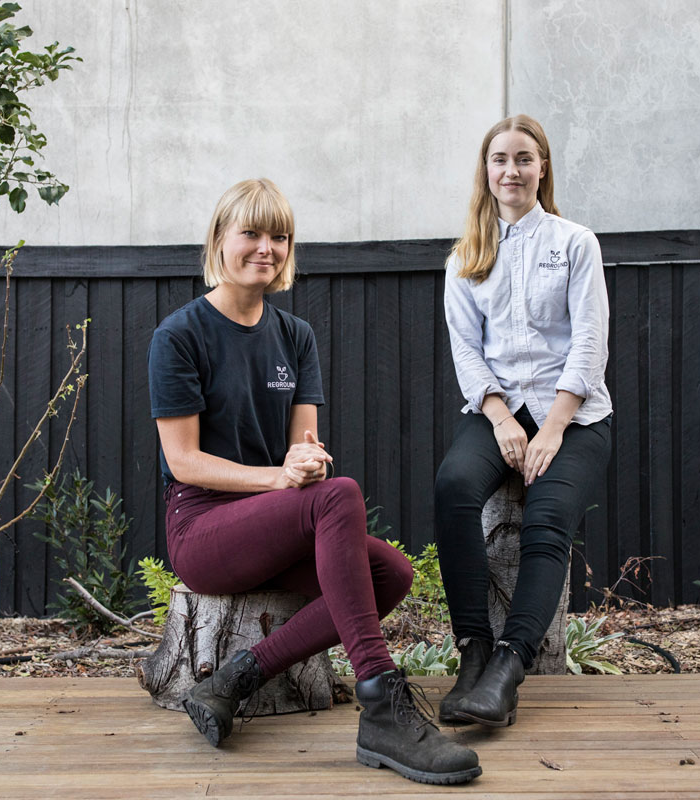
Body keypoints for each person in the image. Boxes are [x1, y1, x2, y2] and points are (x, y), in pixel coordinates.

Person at [147, 178, 481, 785]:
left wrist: (304, 465)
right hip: (202, 529)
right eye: (250, 232)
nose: (265, 247)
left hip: (271, 523)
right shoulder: (180, 335)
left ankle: (237, 676)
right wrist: (283, 479)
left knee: (392, 572)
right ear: (220, 240)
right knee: (342, 496)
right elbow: (183, 462)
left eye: (279, 235)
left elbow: (304, 453)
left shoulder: (295, 337)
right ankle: (381, 700)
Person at [434, 116, 613, 727]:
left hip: (576, 415)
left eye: (524, 159)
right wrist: (501, 418)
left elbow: (589, 343)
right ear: (486, 172)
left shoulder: (575, 243)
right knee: (454, 488)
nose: (511, 170)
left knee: (547, 516)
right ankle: (473, 650)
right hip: (497, 409)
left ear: (543, 169)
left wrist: (556, 426)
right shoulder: (464, 257)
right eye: (499, 159)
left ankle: (509, 669)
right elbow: (466, 350)